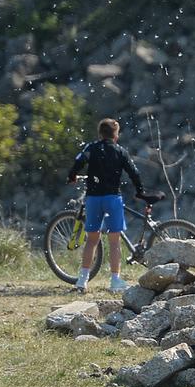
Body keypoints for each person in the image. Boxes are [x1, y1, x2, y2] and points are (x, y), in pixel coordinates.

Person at [65, 118, 145, 294]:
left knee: (92, 240)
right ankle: (115, 280)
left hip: (93, 199)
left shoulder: (91, 148)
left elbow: (78, 162)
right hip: (112, 198)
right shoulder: (120, 151)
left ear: (100, 134)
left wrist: (72, 176)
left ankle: (82, 280)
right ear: (116, 135)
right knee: (114, 241)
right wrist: (139, 191)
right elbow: (134, 172)